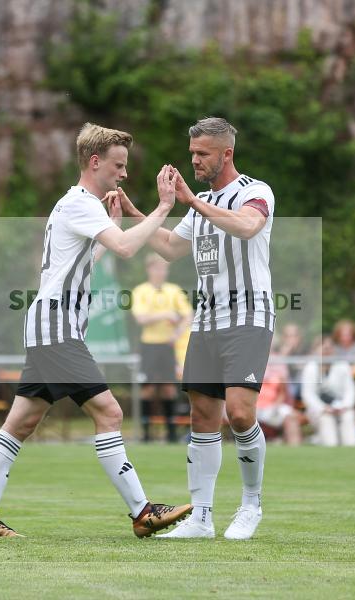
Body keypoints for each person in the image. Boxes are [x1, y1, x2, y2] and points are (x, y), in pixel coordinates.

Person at [0, 123, 192, 539]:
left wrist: (115, 224)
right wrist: (162, 207)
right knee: (110, 412)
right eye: (118, 165)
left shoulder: (78, 204)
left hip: (50, 325)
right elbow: (125, 249)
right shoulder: (81, 202)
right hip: (56, 326)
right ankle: (143, 512)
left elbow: (94, 256)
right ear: (94, 162)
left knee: (20, 424)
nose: (123, 174)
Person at [120, 117, 275, 540]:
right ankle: (202, 518)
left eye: (203, 153)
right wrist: (138, 212)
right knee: (203, 416)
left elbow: (247, 226)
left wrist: (193, 202)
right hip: (206, 320)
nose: (195, 161)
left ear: (227, 153)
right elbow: (170, 249)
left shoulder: (255, 192)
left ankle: (250, 506)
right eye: (192, 154)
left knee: (240, 414)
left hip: (248, 316)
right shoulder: (200, 202)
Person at [131, 253, 192, 442]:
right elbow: (141, 319)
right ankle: (146, 434)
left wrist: (177, 333)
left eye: (164, 268)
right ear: (149, 269)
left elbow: (188, 315)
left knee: (168, 389)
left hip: (168, 346)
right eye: (157, 268)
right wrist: (165, 314)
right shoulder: (140, 291)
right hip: (149, 345)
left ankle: (171, 435)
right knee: (148, 389)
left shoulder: (173, 291)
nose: (161, 272)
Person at [302, 337, 355, 447]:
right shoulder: (310, 368)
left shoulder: (343, 366)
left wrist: (343, 407)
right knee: (326, 420)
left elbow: (350, 391)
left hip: (341, 408)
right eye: (323, 347)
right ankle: (329, 448)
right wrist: (323, 408)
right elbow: (308, 395)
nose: (326, 351)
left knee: (349, 416)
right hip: (319, 411)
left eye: (329, 348)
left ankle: (351, 450)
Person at [255, 341, 302, 446]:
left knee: (291, 417)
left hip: (272, 407)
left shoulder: (278, 364)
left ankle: (296, 451)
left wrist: (275, 406)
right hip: (252, 406)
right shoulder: (250, 360)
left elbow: (282, 392)